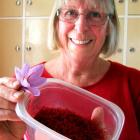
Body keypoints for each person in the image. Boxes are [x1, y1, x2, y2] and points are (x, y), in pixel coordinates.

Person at [0, 0, 140, 139]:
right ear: (56, 23)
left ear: (109, 26)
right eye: (70, 13)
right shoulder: (25, 84)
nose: (80, 27)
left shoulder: (135, 84)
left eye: (95, 14)